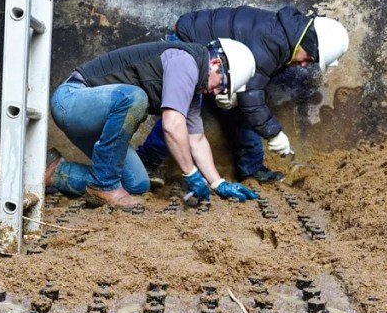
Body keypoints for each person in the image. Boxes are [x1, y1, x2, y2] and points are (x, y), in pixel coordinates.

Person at [136, 6, 350, 186]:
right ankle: (147, 161)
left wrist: (238, 96)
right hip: (191, 42)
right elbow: (251, 96)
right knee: (182, 108)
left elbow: (250, 92)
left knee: (242, 110)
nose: (304, 65)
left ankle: (251, 167)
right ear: (307, 43)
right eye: (309, 58)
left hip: (217, 55)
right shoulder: (273, 42)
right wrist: (274, 133)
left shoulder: (287, 37)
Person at [44, 39, 260, 210]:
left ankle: (57, 172)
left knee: (137, 184)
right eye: (222, 85)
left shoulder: (194, 89)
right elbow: (172, 125)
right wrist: (191, 173)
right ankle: (104, 185)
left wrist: (217, 183)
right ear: (216, 64)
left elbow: (196, 138)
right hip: (71, 100)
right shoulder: (185, 62)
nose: (217, 92)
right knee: (135, 97)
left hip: (97, 121)